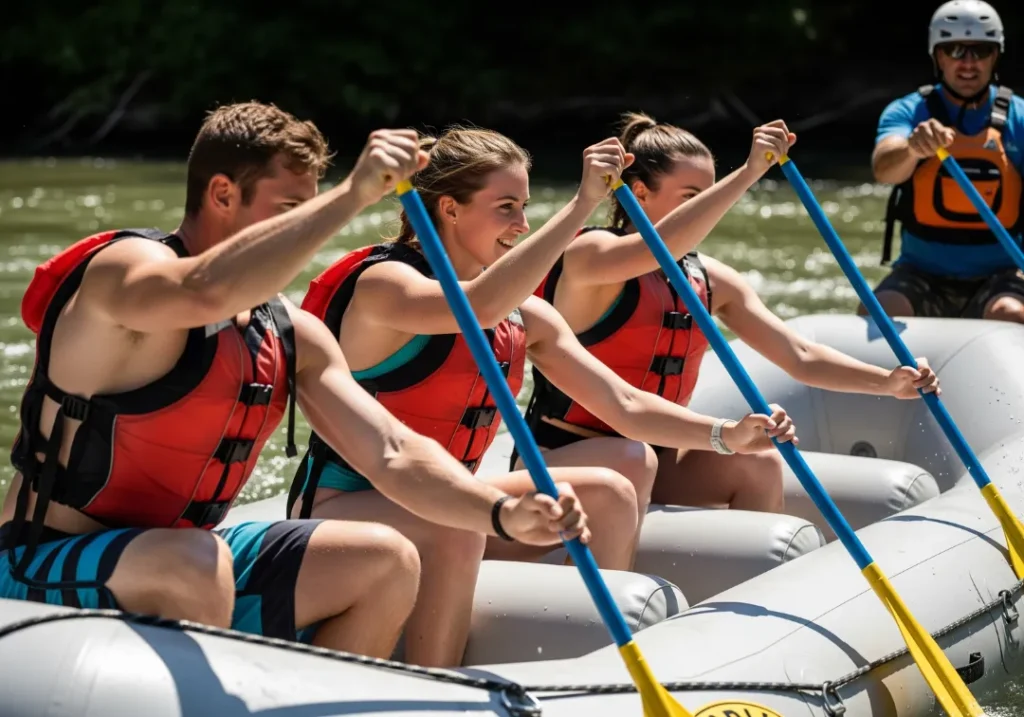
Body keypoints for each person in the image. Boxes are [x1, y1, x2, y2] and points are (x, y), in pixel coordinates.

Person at [0, 102, 591, 660]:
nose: (306, 231)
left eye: (311, 208)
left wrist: (498, 514)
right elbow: (201, 291)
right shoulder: (123, 273)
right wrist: (351, 196)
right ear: (222, 194)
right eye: (291, 211)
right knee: (192, 560)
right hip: (43, 557)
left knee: (386, 560)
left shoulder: (291, 333)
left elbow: (392, 452)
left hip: (190, 553)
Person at [295, 125, 797, 667]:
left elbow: (623, 404)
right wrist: (584, 203)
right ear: (450, 209)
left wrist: (726, 436)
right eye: (506, 207)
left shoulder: (524, 314)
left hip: (452, 498)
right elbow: (476, 308)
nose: (522, 224)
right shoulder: (386, 286)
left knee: (609, 490)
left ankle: (597, 659)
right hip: (344, 507)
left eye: (526, 206)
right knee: (458, 529)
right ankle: (437, 682)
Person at [523, 111, 942, 515]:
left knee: (759, 462)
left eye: (708, 196)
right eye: (692, 199)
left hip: (654, 456)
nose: (707, 211)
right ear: (638, 192)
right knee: (633, 459)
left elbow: (800, 355)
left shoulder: (711, 280)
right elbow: (657, 249)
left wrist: (888, 382)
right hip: (564, 455)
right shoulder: (591, 256)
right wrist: (747, 173)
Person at [868, 0, 1024, 321]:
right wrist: (913, 149)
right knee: (882, 311)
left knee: (1008, 312)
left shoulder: (1019, 118)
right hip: (922, 274)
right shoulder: (908, 112)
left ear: (995, 56)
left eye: (979, 51)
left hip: (1004, 274)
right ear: (938, 56)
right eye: (954, 51)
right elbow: (883, 169)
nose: (968, 63)